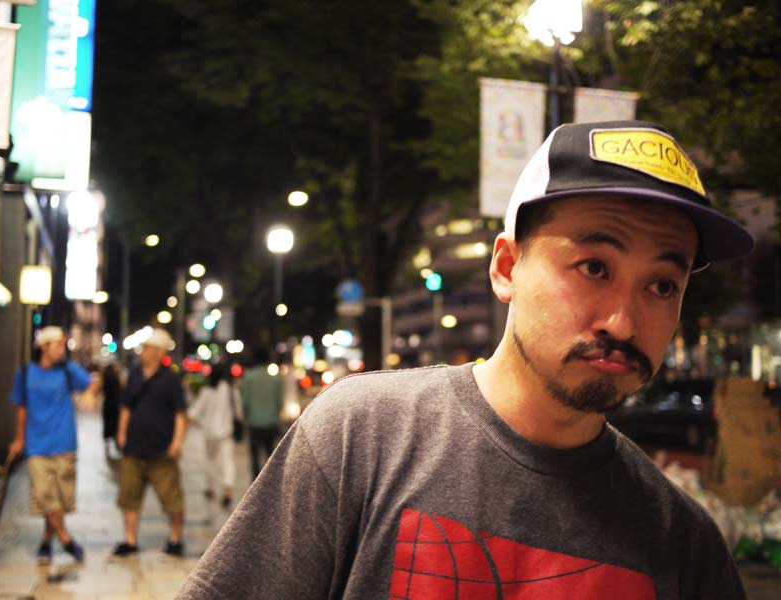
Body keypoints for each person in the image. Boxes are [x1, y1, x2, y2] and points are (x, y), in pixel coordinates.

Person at [178, 120, 754, 598]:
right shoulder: (361, 436)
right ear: (506, 268)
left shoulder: (687, 546)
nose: (623, 322)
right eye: (594, 268)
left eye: (662, 286)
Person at [8, 325, 100, 565]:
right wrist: (19, 439)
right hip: (36, 445)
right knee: (43, 496)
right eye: (57, 345)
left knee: (58, 499)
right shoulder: (25, 373)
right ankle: (66, 539)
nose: (62, 349)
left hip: (64, 443)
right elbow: (21, 408)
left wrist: (89, 394)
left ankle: (47, 542)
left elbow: (93, 383)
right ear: (43, 347)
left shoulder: (68, 370)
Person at [111, 328, 188, 557]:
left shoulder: (171, 379)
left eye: (148, 348)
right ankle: (130, 540)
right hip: (134, 449)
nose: (144, 352)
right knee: (129, 497)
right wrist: (121, 433)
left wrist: (176, 443)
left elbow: (180, 414)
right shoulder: (135, 375)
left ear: (159, 352)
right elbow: (126, 406)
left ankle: (175, 539)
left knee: (172, 498)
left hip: (162, 451)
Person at [188, 363, 242, 508]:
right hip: (226, 432)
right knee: (228, 461)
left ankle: (210, 487)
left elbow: (194, 412)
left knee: (209, 460)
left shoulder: (206, 391)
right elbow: (239, 412)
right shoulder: (231, 390)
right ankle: (228, 489)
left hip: (209, 433)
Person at [240, 347, 283, 479]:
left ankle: (256, 482)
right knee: (271, 456)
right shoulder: (275, 378)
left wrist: (246, 419)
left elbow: (245, 402)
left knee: (255, 458)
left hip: (254, 423)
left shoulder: (248, 377)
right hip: (271, 422)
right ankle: (272, 481)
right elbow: (279, 402)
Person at [101, 361, 123, 460]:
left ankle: (107, 440)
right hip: (115, 405)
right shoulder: (115, 379)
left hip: (107, 404)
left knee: (107, 423)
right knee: (115, 423)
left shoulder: (105, 378)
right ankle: (116, 443)